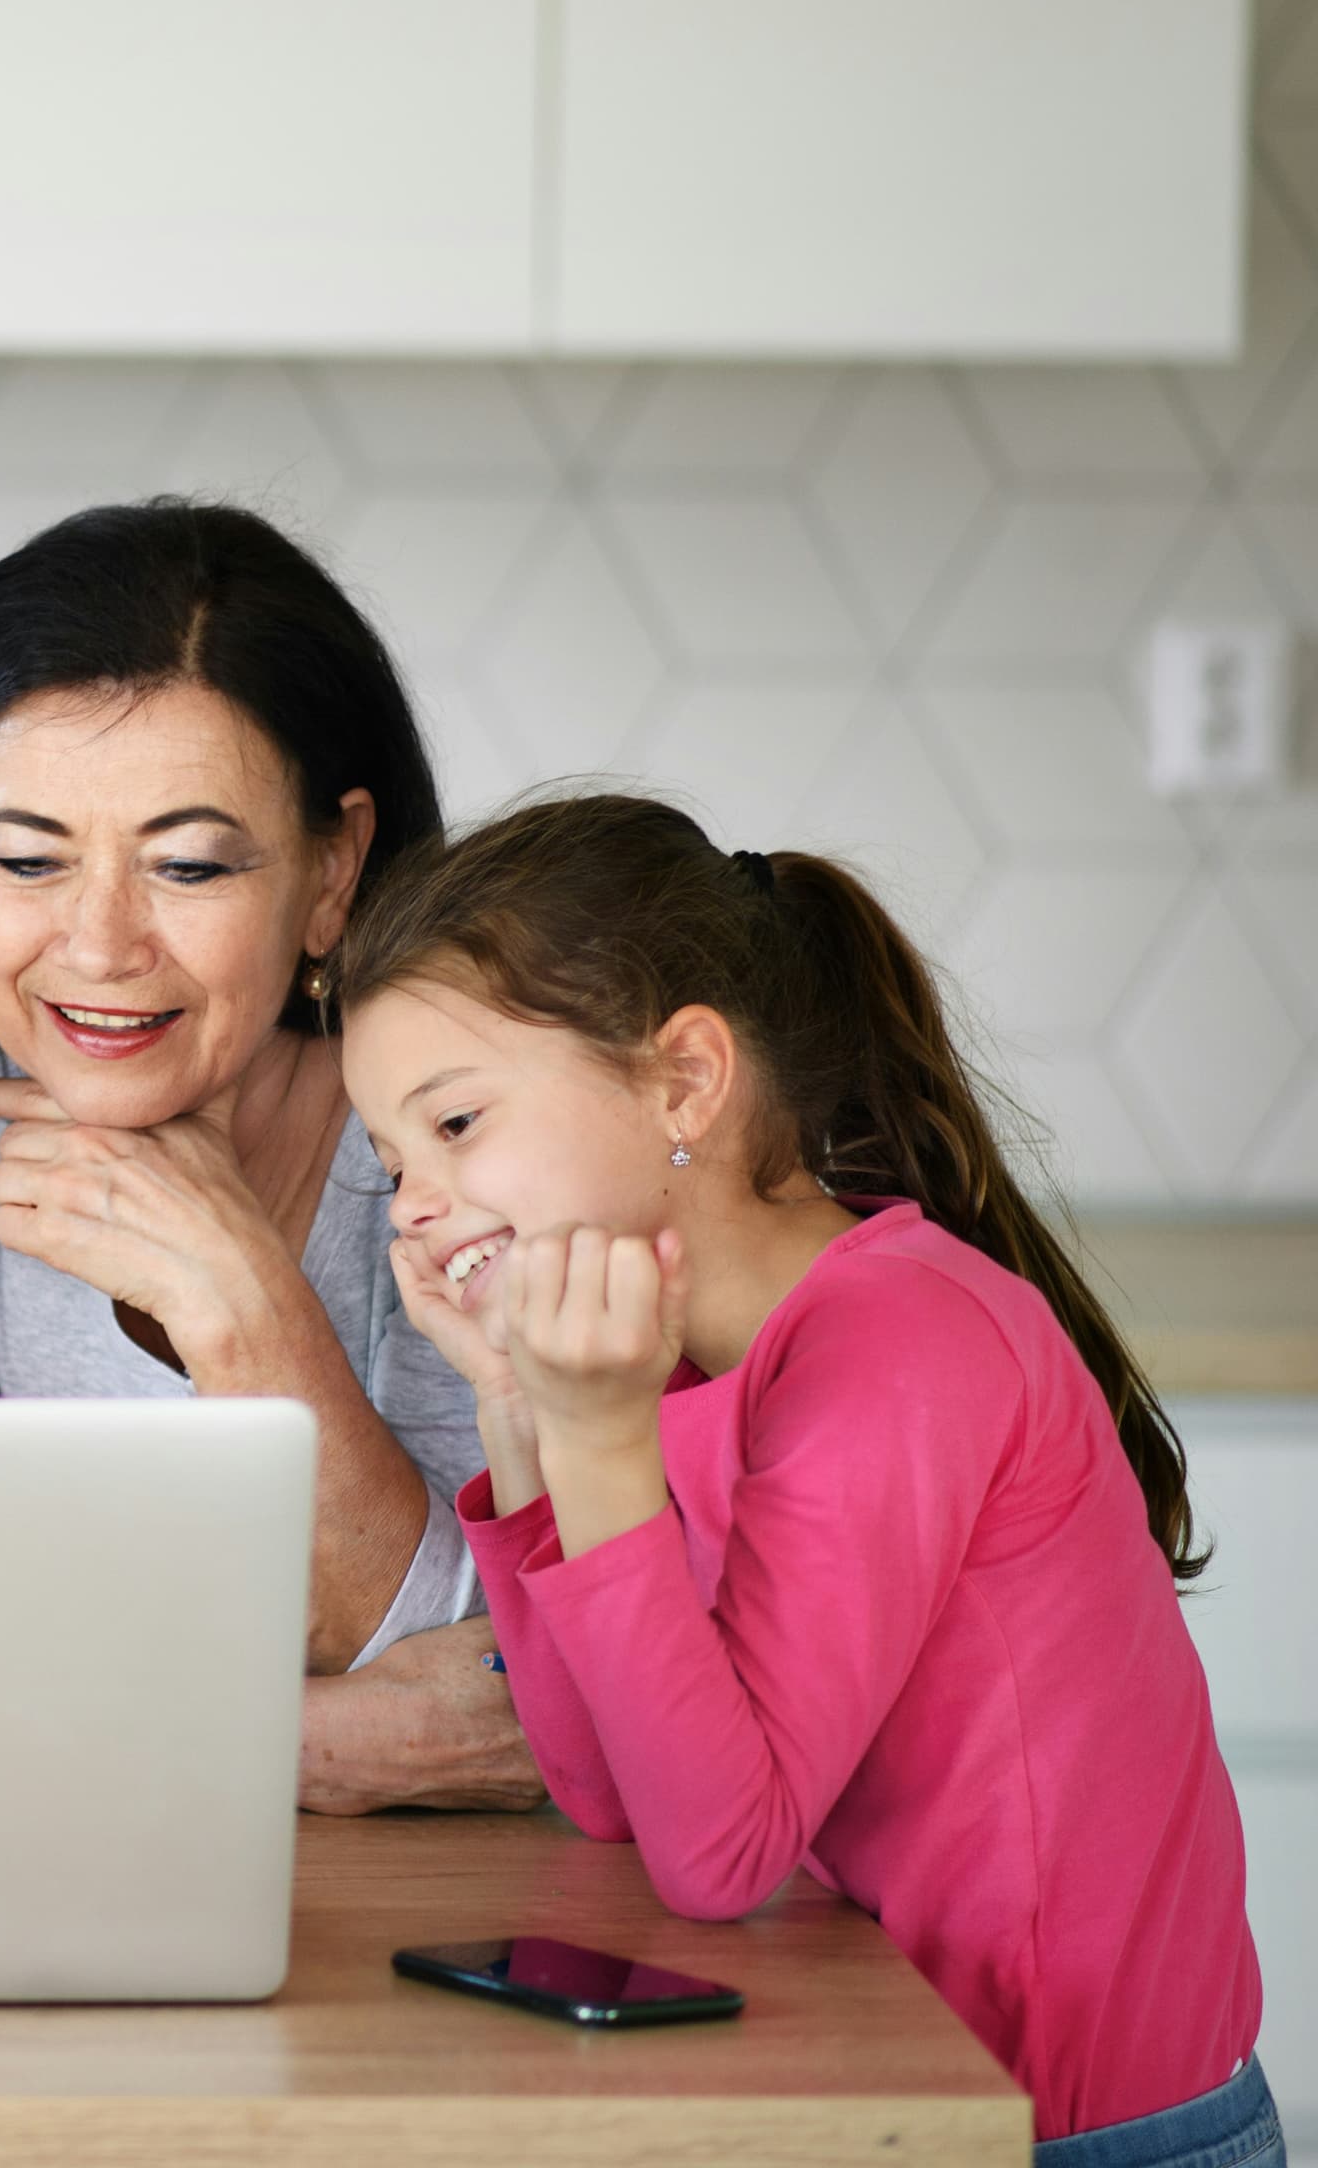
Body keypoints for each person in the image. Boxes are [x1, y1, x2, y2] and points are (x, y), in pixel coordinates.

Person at [340, 793, 1266, 2163]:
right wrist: (517, 1409)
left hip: (1090, 2137)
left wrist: (599, 1440)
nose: (415, 1204)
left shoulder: (899, 1341)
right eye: (393, 1162)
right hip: (920, 2094)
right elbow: (611, 1794)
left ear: (684, 1084)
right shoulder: (699, 1363)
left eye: (457, 1124)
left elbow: (721, 1858)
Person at [0, 499, 535, 1812]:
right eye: (27, 858)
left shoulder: (469, 1088)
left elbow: (521, 1678)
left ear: (333, 869)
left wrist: (244, 1306)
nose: (99, 945)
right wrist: (303, 1741)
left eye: (188, 868)